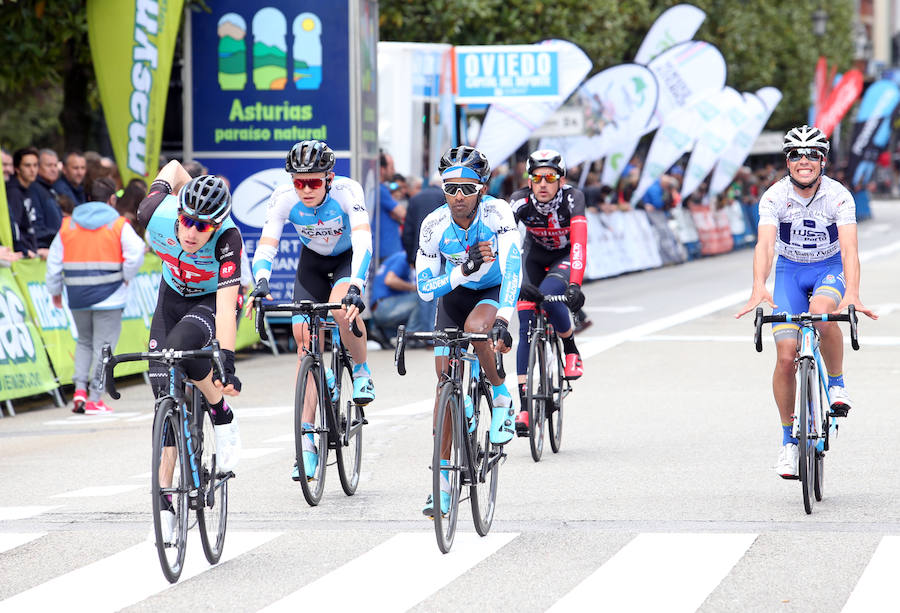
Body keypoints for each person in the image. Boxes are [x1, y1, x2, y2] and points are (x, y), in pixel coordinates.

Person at [735, 125, 877, 479]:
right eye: (796, 155)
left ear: (822, 160)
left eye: (812, 154)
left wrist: (854, 292)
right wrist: (758, 285)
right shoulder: (773, 197)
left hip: (828, 268)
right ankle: (788, 443)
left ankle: (837, 382)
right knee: (785, 358)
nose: (804, 160)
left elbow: (849, 249)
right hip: (789, 273)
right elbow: (765, 246)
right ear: (787, 161)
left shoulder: (839, 196)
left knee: (819, 314)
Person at [249, 140, 375, 482]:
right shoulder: (284, 198)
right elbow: (267, 243)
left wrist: (356, 286)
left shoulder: (349, 191)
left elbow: (364, 240)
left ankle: (361, 370)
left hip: (347, 259)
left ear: (329, 179)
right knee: (302, 336)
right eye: (299, 182)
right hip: (312, 265)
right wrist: (260, 281)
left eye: (314, 182)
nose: (305, 189)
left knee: (340, 310)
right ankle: (306, 444)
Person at [138, 161, 244, 538]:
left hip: (210, 301)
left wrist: (227, 361)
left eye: (202, 226)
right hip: (171, 295)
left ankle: (220, 411)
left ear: (215, 226)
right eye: (186, 220)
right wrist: (184, 182)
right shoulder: (155, 212)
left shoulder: (229, 239)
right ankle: (166, 500)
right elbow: (173, 166)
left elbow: (228, 307)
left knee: (182, 346)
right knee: (161, 380)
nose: (191, 231)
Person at [415, 145, 521, 516]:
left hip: (492, 292)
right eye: (450, 188)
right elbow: (426, 290)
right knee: (444, 380)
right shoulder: (433, 225)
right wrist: (462, 270)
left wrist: (504, 321)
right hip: (454, 294)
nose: (458, 196)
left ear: (482, 188)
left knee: (478, 329)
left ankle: (501, 393)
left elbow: (512, 270)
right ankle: (442, 481)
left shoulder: (498, 213)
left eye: (467, 188)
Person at [46, 177, 145, 414]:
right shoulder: (118, 224)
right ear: (112, 199)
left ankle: (79, 390)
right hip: (110, 294)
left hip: (78, 294)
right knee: (104, 347)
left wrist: (55, 291)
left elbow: (54, 261)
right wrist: (125, 275)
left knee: (84, 341)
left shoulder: (68, 225)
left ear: (88, 198)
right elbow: (137, 251)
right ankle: (94, 398)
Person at [507, 149, 587, 435]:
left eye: (550, 177)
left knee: (552, 295)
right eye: (536, 177)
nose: (542, 183)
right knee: (526, 323)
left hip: (563, 258)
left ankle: (570, 348)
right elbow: (509, 244)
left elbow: (578, 244)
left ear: (561, 180)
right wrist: (515, 281)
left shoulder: (573, 198)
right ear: (529, 181)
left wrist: (575, 285)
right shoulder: (518, 201)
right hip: (533, 256)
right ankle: (525, 407)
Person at [401, 172, 444, 333]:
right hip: (443, 254)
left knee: (425, 294)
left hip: (421, 254)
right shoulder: (446, 198)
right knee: (440, 294)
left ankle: (425, 333)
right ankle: (434, 331)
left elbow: (407, 231)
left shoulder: (415, 199)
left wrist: (410, 257)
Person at [369, 250, 418, 342]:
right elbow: (390, 280)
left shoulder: (400, 257)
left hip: (382, 308)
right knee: (421, 298)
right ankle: (410, 338)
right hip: (384, 307)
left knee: (417, 301)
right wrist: (414, 288)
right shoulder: (404, 257)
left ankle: (388, 335)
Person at [5, 147, 39, 257]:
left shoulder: (29, 189)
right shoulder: (13, 192)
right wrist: (24, 249)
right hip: (21, 254)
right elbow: (14, 226)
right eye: (27, 165)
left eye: (35, 165)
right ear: (17, 168)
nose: (32, 170)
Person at [30, 148, 64, 251]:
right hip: (44, 249)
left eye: (55, 165)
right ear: (38, 167)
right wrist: (60, 234)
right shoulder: (34, 189)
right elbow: (36, 226)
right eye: (49, 165)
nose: (54, 169)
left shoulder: (50, 189)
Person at [377, 151, 406, 262]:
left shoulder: (381, 188)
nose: (393, 171)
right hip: (386, 251)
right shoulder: (381, 190)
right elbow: (402, 213)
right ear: (382, 169)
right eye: (391, 167)